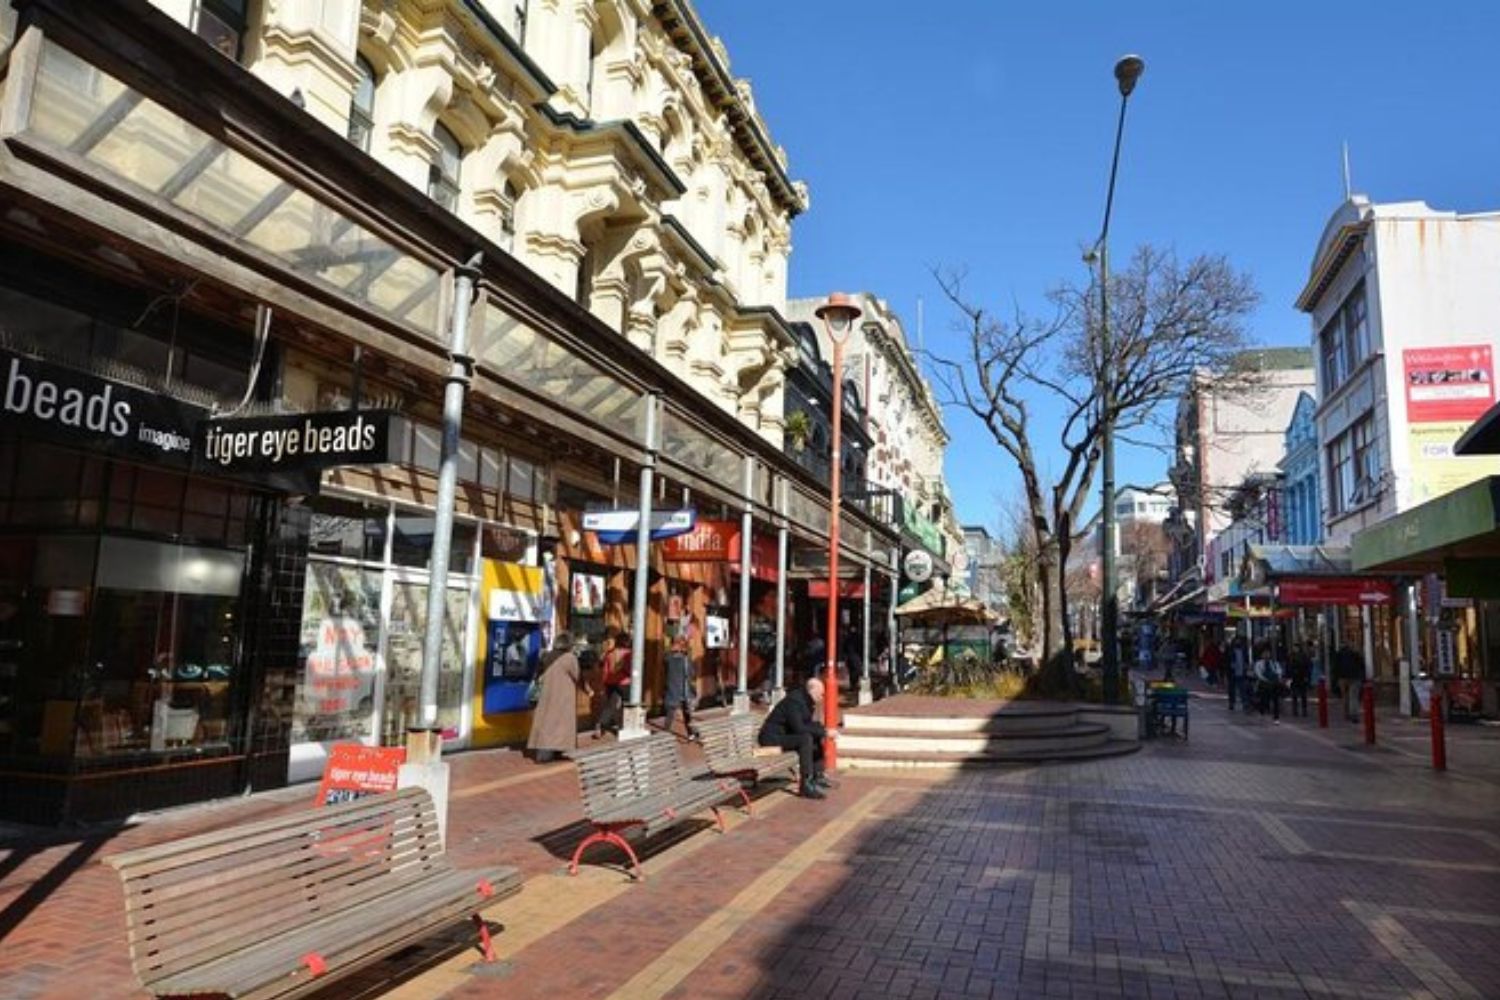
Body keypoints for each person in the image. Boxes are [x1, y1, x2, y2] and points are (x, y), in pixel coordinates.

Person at [758, 677, 836, 799]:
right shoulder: (794, 701)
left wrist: (821, 730)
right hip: (771, 738)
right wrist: (825, 732)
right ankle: (806, 784)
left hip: (784, 735)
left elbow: (807, 724)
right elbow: (799, 727)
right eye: (821, 694)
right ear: (812, 691)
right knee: (805, 739)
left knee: (815, 732)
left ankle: (818, 775)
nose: (822, 697)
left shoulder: (807, 701)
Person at [528, 631, 588, 762]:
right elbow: (577, 675)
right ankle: (552, 751)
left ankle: (545, 752)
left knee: (546, 723)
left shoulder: (546, 656)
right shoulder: (569, 658)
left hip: (545, 696)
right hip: (562, 696)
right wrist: (587, 689)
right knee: (560, 724)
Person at [663, 616, 699, 741]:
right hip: (683, 690)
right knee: (684, 712)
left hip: (676, 689)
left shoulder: (670, 658)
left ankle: (689, 733)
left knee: (675, 713)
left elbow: (666, 662)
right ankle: (690, 733)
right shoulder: (684, 659)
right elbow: (691, 673)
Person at [594, 630, 631, 735]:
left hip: (610, 682)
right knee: (627, 705)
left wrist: (604, 683)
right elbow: (629, 669)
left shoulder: (610, 654)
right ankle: (623, 727)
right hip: (625, 682)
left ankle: (600, 724)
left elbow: (605, 670)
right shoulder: (628, 653)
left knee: (610, 705)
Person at [1251, 641, 1283, 723]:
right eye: (1265, 653)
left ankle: (1276, 717)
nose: (1266, 655)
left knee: (1275, 700)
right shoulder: (1259, 664)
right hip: (1264, 684)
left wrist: (1277, 678)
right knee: (1263, 700)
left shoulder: (1274, 663)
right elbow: (1258, 674)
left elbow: (1279, 671)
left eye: (1268, 653)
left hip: (1274, 684)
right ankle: (1262, 713)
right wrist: (1266, 680)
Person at [1333, 641, 1365, 722]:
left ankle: (1346, 714)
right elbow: (1361, 665)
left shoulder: (1338, 654)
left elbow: (1335, 668)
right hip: (1355, 677)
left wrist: (1336, 679)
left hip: (1343, 678)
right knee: (1353, 696)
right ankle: (1354, 714)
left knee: (1345, 697)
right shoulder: (1354, 653)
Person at [1287, 643, 1313, 718]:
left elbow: (1308, 666)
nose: (1295, 649)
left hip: (1301, 677)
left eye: (1296, 648)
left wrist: (1307, 676)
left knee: (1303, 695)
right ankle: (1295, 710)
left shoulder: (1303, 656)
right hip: (1295, 678)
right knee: (1295, 695)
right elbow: (1288, 667)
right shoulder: (1291, 656)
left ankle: (1303, 710)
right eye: (1294, 648)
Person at [1228, 637, 1247, 711]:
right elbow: (1227, 662)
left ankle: (1244, 703)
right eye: (1236, 642)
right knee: (1232, 689)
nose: (1238, 643)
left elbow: (1245, 661)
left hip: (1241, 673)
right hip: (1233, 673)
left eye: (1239, 642)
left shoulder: (1244, 651)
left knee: (1242, 689)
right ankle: (1231, 703)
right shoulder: (1231, 651)